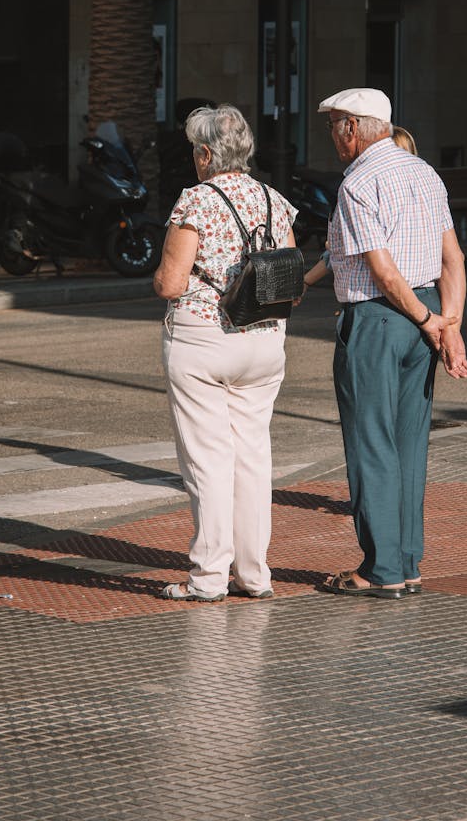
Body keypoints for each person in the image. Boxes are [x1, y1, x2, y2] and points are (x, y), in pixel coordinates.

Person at [317, 87, 467, 600]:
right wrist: (448, 325)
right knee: (409, 443)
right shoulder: (422, 171)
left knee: (372, 442)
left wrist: (430, 318)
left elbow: (382, 272)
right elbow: (454, 260)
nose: (333, 135)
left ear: (352, 128)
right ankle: (406, 564)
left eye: (335, 125)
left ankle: (380, 570)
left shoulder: (359, 181)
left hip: (382, 318)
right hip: (422, 314)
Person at [153, 104, 297, 602]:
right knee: (253, 458)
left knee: (208, 462)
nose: (194, 158)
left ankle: (209, 578)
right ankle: (255, 575)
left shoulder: (196, 201)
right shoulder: (275, 201)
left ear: (208, 154)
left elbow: (171, 283)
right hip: (264, 341)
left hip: (204, 342)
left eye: (196, 150)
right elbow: (291, 282)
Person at [302, 124, 419, 292]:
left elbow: (340, 252)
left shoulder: (363, 190)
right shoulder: (419, 188)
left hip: (380, 293)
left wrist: (337, 246)